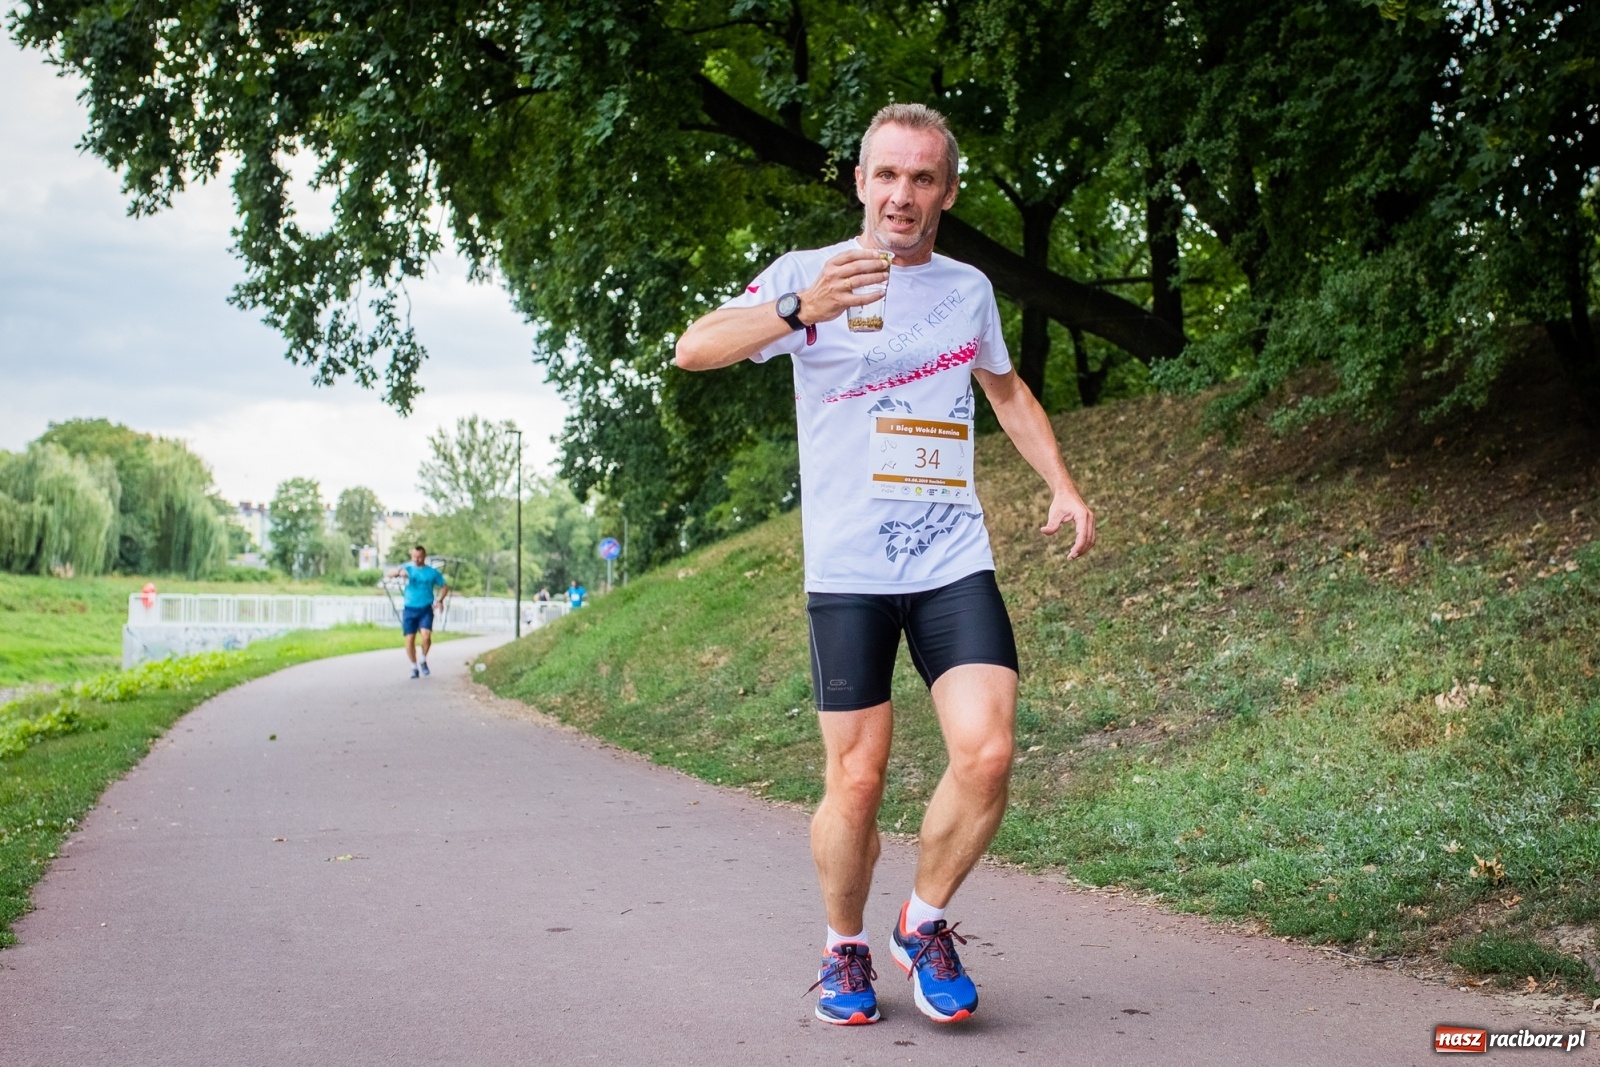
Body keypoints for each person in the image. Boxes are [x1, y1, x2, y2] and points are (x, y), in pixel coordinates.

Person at [675, 102, 1095, 1027]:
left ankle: (924, 919)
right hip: (850, 569)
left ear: (946, 191)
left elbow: (1007, 388)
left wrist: (1062, 483)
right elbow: (694, 347)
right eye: (887, 175)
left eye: (921, 178)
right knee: (856, 779)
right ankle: (844, 948)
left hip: (951, 555)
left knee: (987, 752)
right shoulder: (804, 275)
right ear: (860, 181)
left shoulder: (968, 290)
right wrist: (799, 309)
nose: (902, 194)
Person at [385, 545, 448, 679]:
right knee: (410, 638)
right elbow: (389, 574)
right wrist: (399, 572)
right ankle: (414, 666)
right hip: (409, 608)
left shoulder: (432, 572)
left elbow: (444, 586)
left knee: (426, 636)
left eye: (419, 557)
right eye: (414, 556)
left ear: (424, 556)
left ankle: (423, 659)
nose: (416, 559)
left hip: (426, 608)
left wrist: (440, 600)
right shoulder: (407, 568)